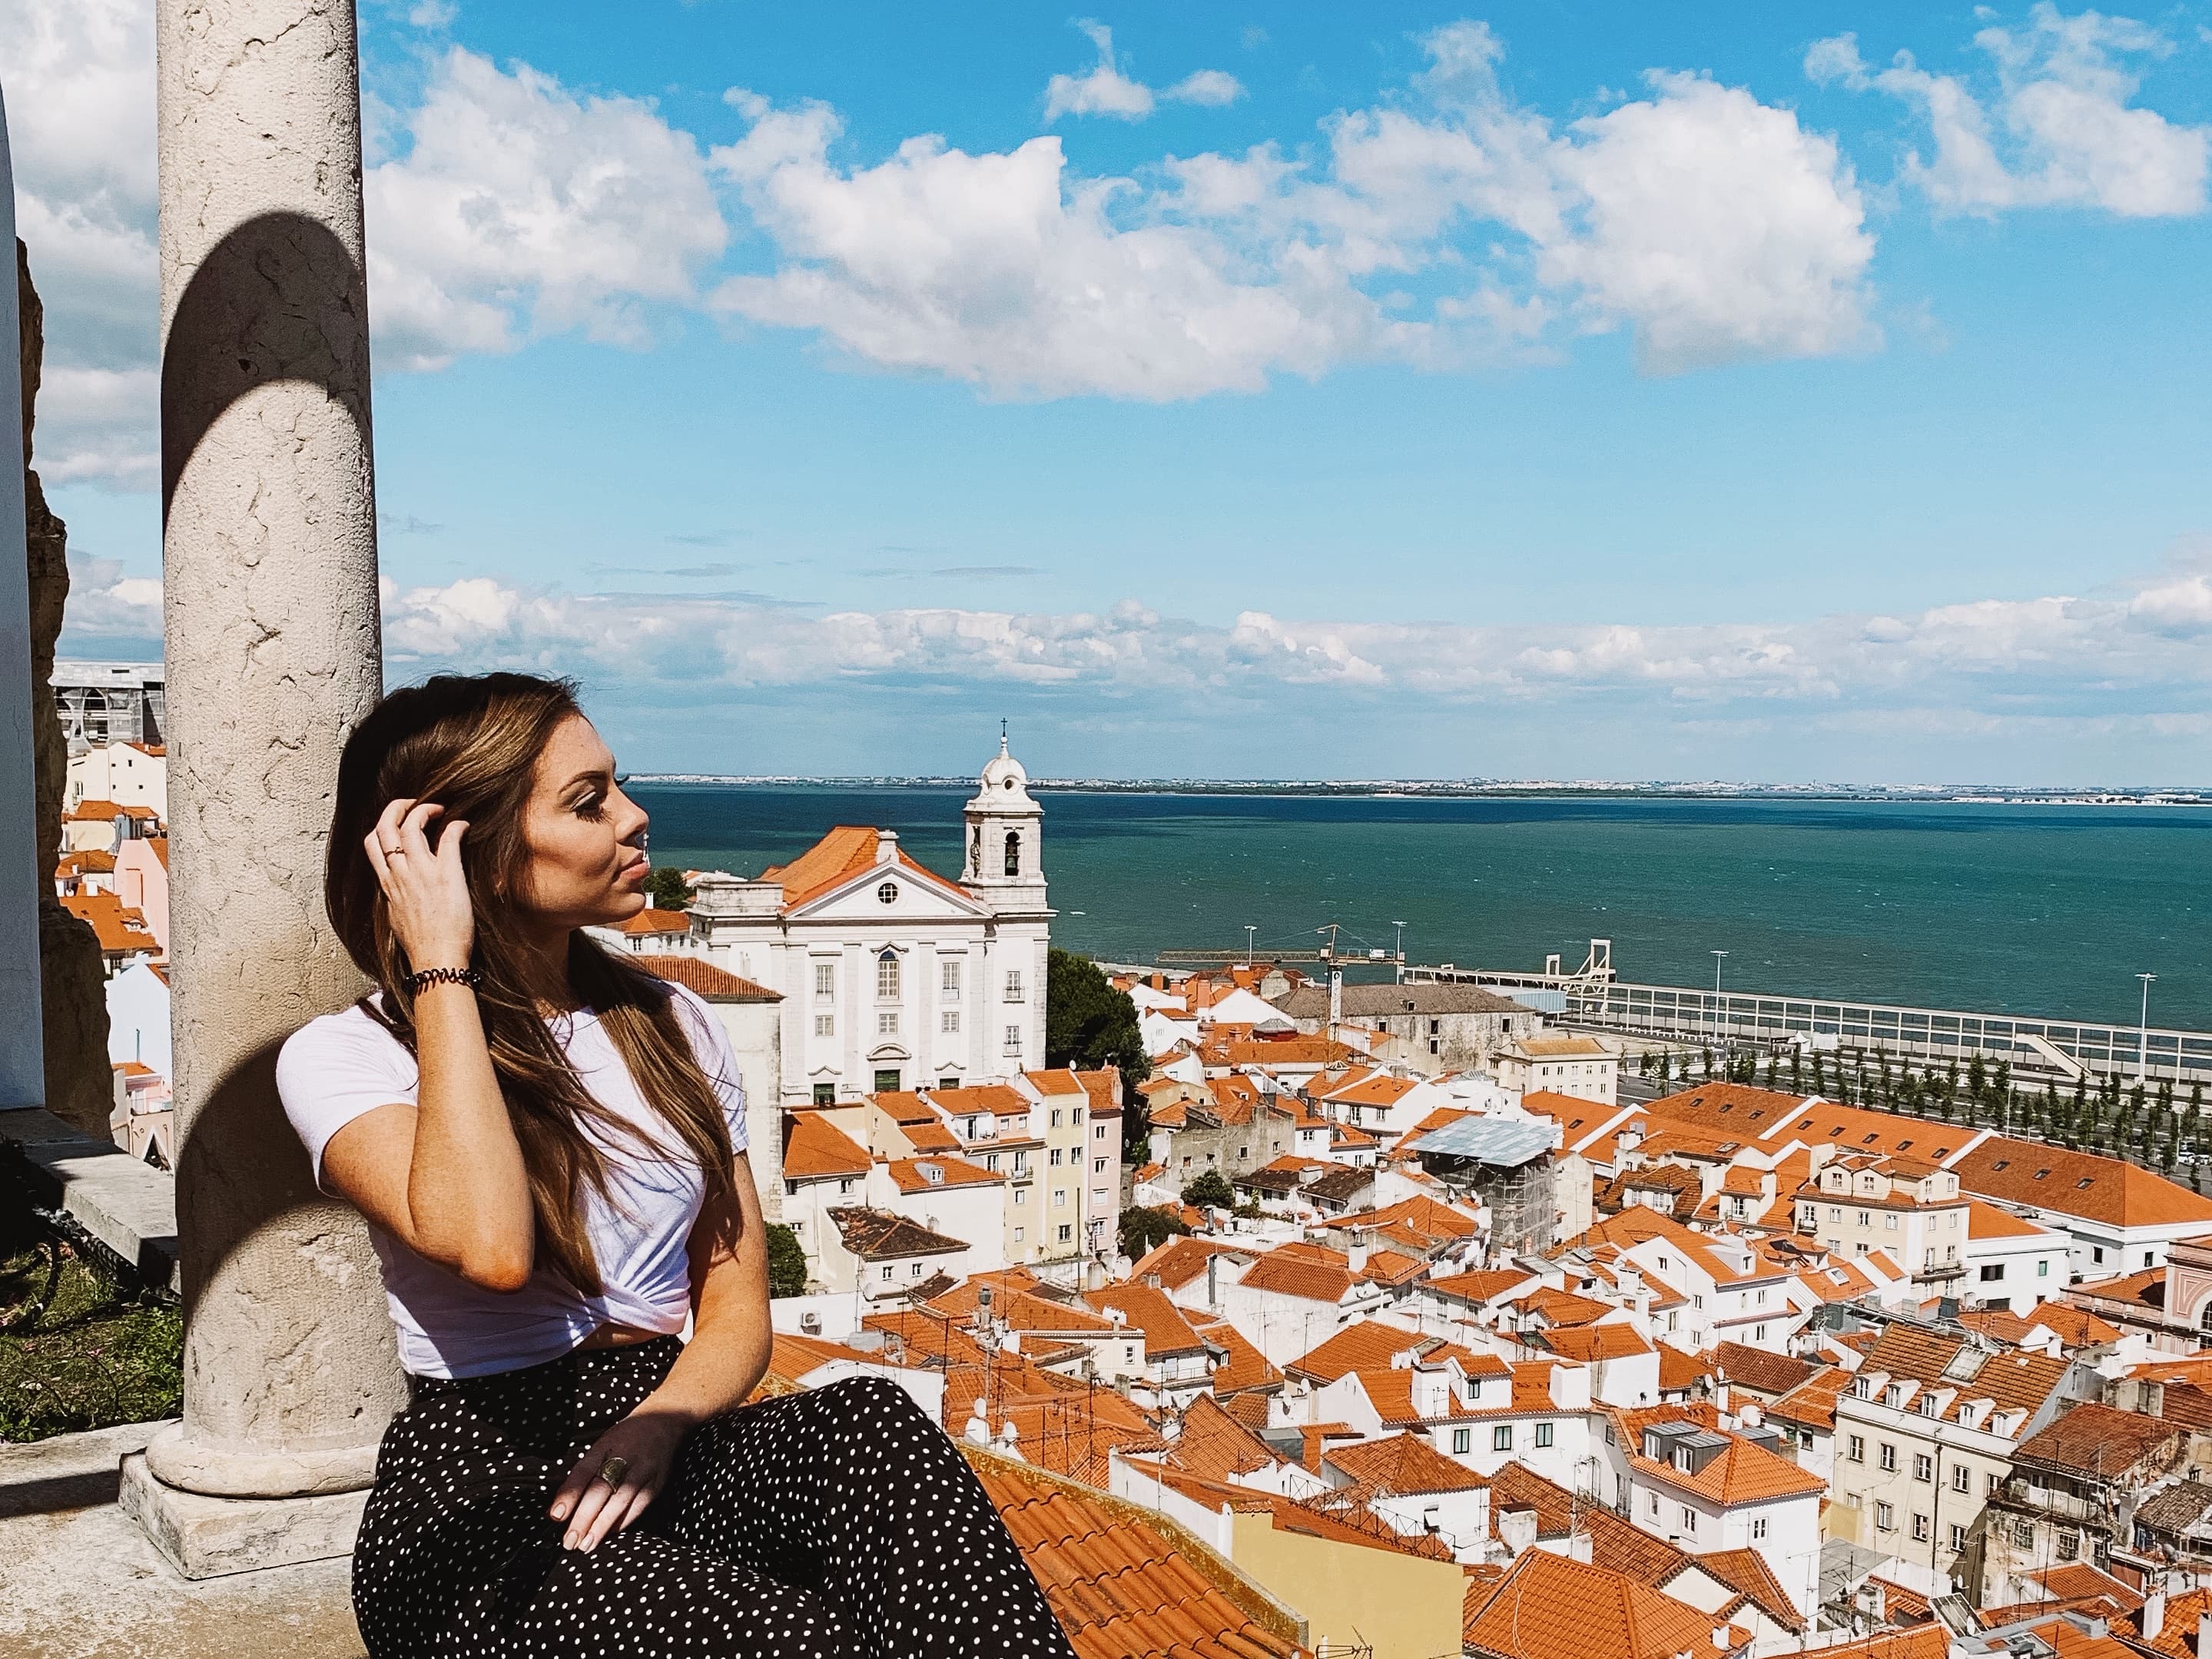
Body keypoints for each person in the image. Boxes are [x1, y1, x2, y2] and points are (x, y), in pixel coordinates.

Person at [277, 672, 1074, 1659]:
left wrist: (660, 1421)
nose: (635, 815)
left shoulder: (672, 1023)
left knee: (871, 1420)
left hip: (671, 1425)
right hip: (484, 1479)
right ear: (461, 849)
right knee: (789, 1639)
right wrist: (442, 963)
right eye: (589, 800)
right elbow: (488, 1245)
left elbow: (736, 1295)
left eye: (619, 785)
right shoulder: (345, 1056)